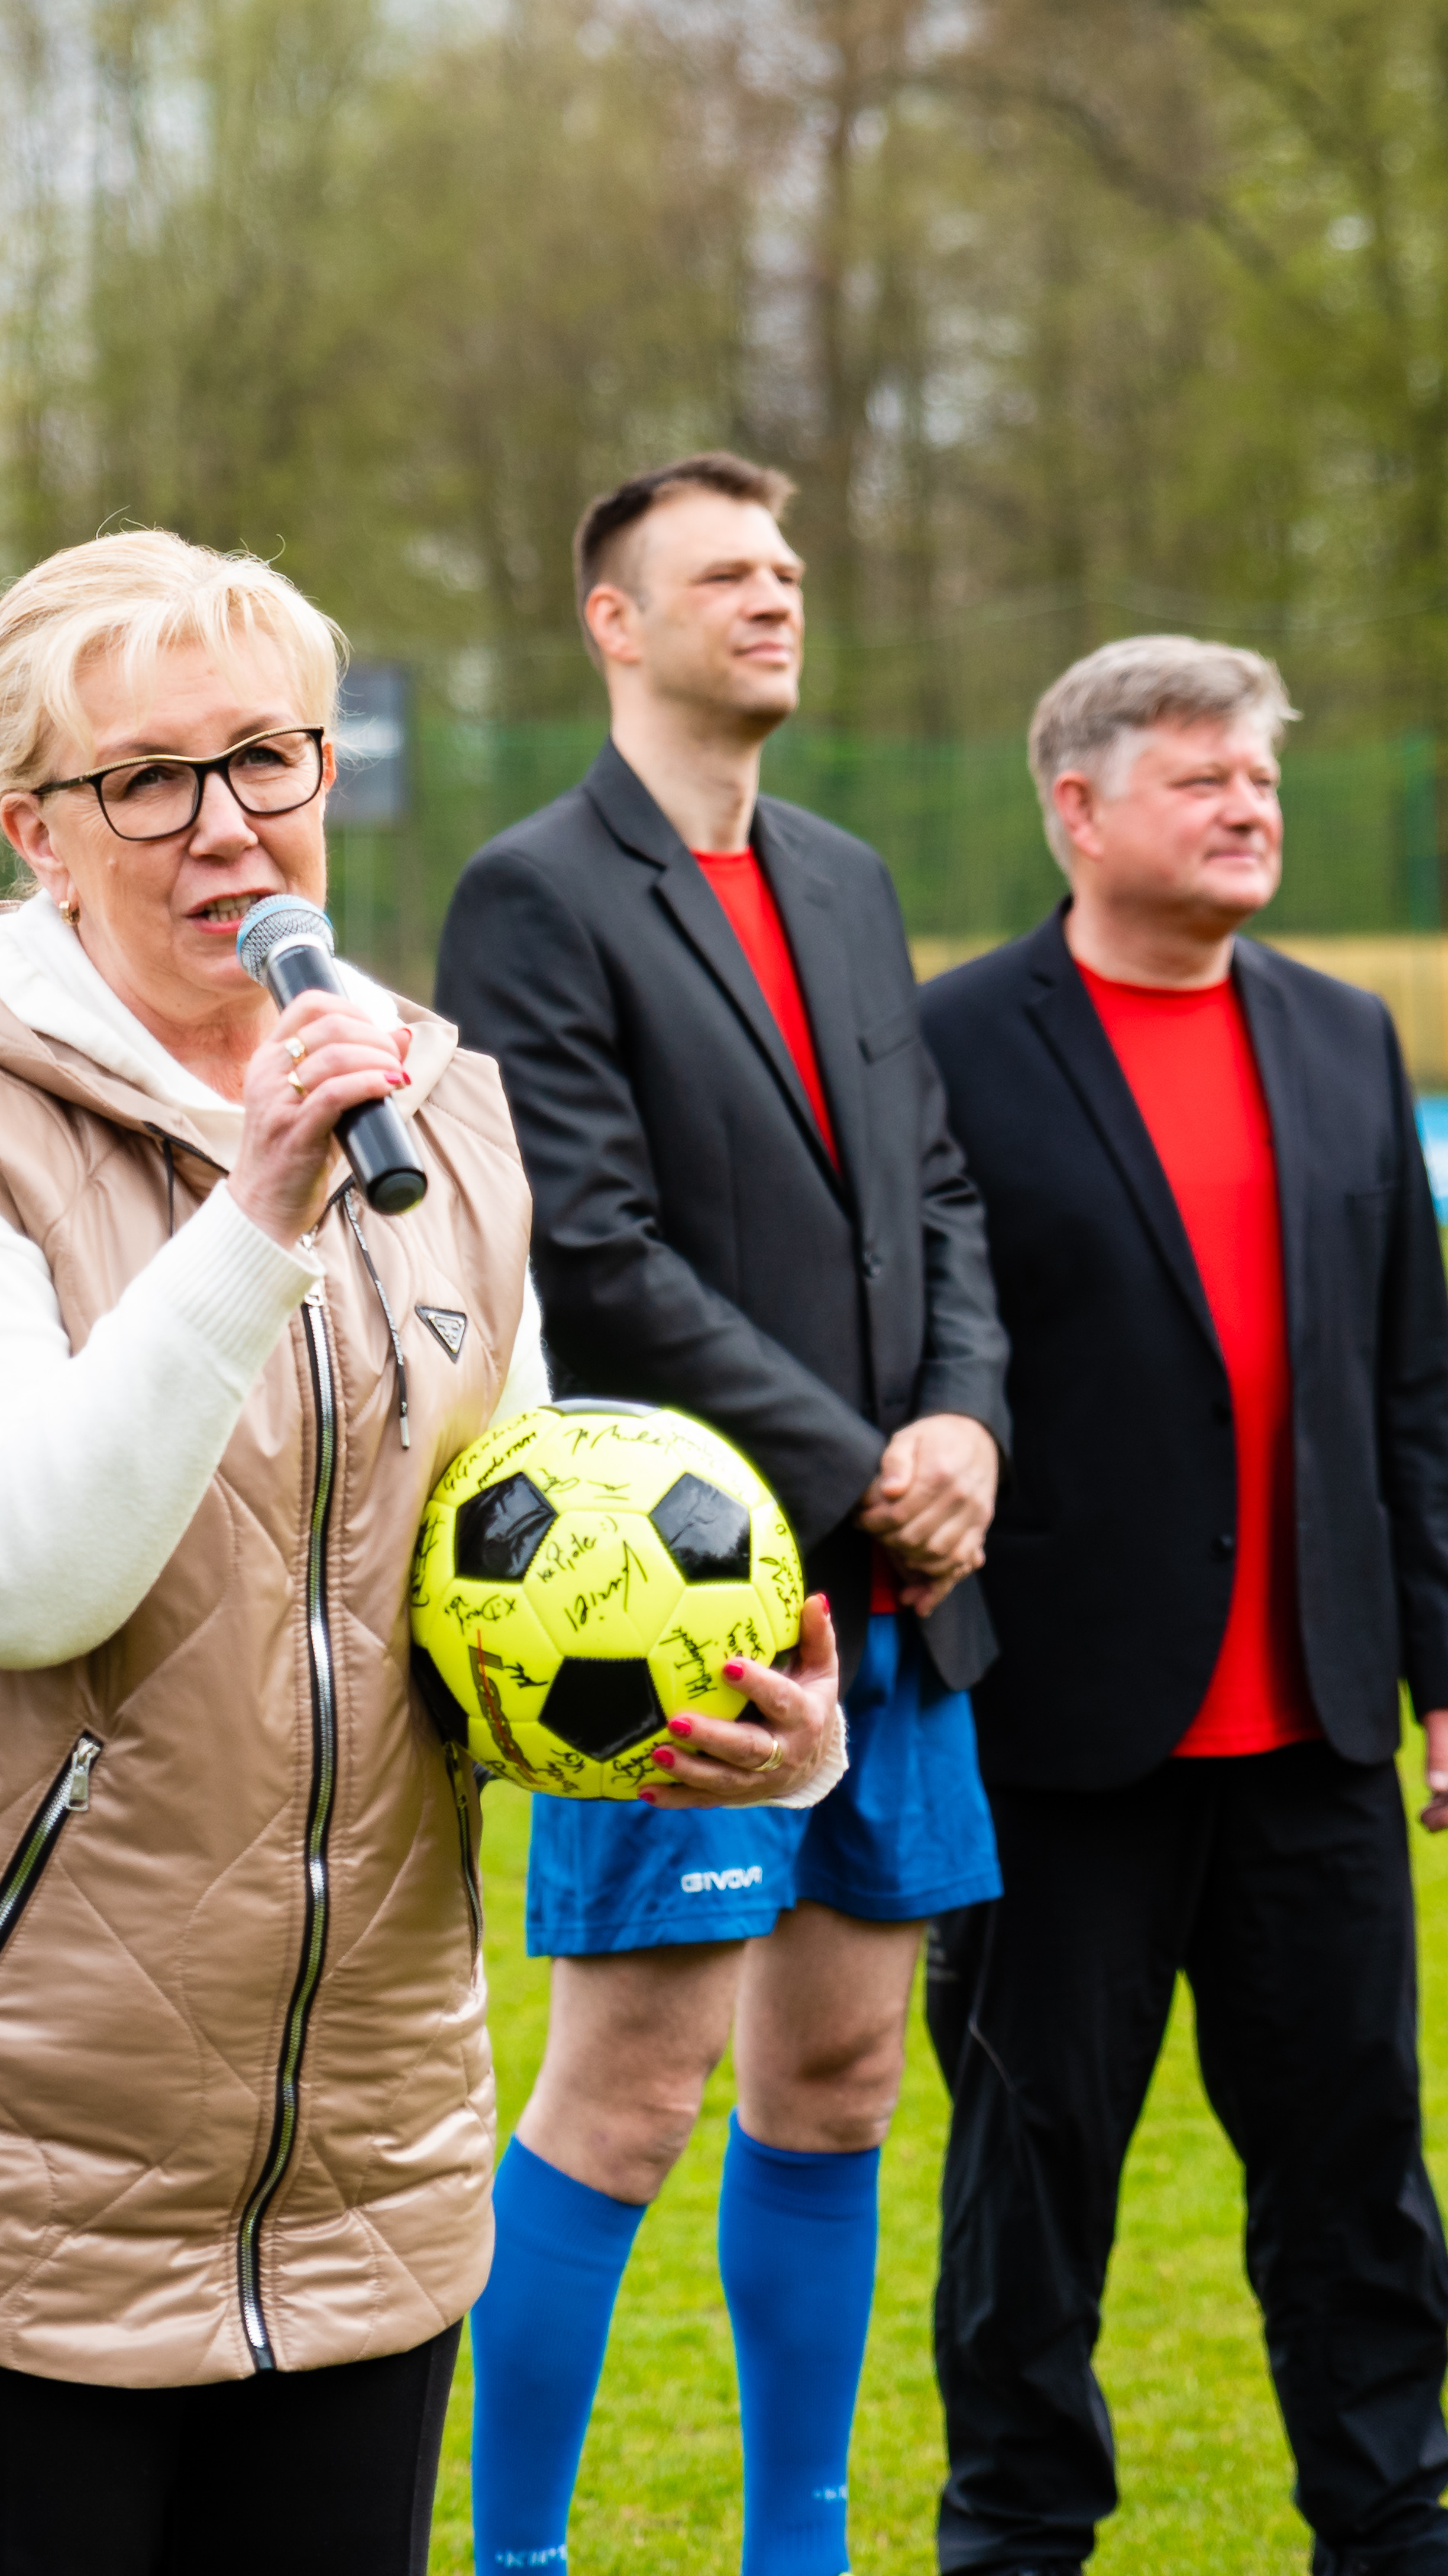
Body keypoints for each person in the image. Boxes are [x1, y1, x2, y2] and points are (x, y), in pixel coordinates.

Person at [0, 525, 720, 2574]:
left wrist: (715, 1711)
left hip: (360, 2149)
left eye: (266, 759)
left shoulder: (439, 1118)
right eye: (145, 781)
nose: (222, 829)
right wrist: (252, 1216)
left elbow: (504, 1578)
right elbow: (13, 1579)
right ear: (38, 831)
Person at [430, 453, 1010, 2576]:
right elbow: (591, 1247)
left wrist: (963, 1428)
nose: (774, 598)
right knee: (629, 2094)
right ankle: (513, 2557)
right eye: (724, 574)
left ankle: (801, 2550)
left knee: (846, 2078)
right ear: (615, 619)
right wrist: (857, 1458)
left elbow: (934, 1193)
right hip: (666, 1599)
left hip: (902, 1591)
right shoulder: (535, 894)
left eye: (787, 568)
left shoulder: (848, 880)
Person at [911, 636, 1448, 2576]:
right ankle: (1015, 2530)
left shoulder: (1343, 1034)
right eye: (1200, 779)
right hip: (1056, 1726)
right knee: (1032, 2179)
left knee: (1353, 2169)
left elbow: (1405, 1373)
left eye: (1259, 779)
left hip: (1318, 1722)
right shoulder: (955, 1041)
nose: (1248, 808)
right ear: (1073, 810)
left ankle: (1389, 2520)